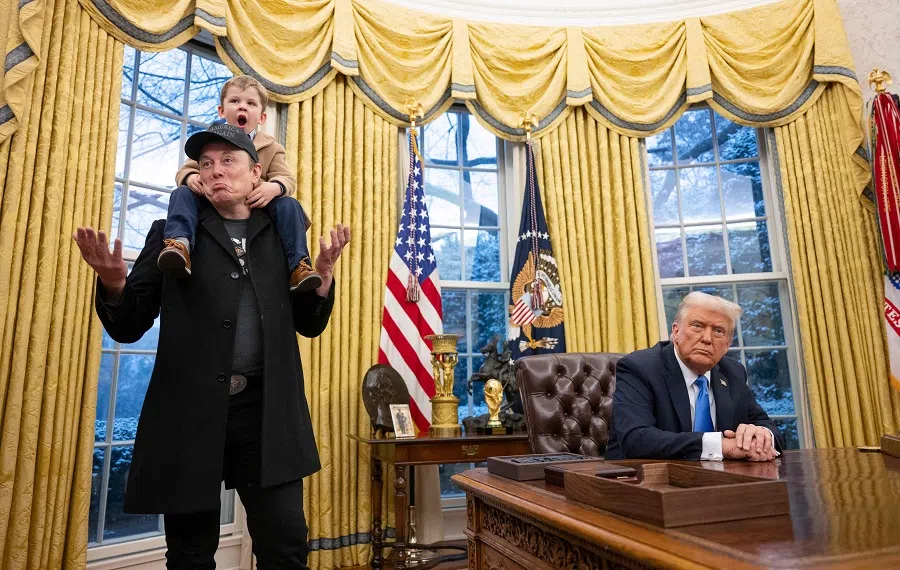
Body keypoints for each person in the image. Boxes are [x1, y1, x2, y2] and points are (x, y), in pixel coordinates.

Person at [73, 122, 350, 569]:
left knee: (285, 546)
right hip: (190, 414)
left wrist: (324, 278)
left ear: (256, 173)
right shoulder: (172, 234)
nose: (215, 171)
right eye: (205, 163)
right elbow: (128, 325)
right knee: (189, 553)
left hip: (267, 415)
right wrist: (112, 281)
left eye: (228, 161)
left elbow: (309, 326)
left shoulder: (282, 232)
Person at [159, 75, 321, 293]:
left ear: (262, 117)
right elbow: (185, 170)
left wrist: (273, 187)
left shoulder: (271, 146)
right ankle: (180, 245)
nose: (242, 107)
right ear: (221, 111)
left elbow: (287, 178)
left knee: (290, 205)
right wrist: (190, 178)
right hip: (215, 200)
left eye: (250, 103)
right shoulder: (210, 142)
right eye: (235, 101)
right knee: (181, 194)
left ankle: (299, 266)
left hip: (259, 202)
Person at [605, 292, 783, 462]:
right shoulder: (640, 367)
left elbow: (771, 429)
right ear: (676, 332)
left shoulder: (733, 372)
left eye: (718, 331)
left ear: (727, 344)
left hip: (718, 481)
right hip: (640, 481)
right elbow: (636, 439)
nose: (707, 338)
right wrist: (721, 446)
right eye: (697, 326)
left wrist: (760, 437)